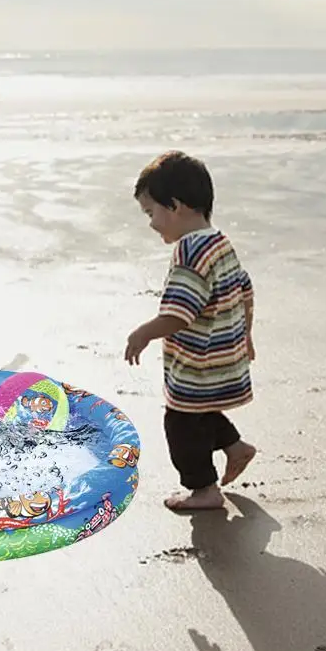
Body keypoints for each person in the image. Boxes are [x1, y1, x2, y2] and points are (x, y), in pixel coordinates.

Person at [125, 151, 257, 511]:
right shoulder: (219, 241)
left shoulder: (189, 250)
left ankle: (204, 489)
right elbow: (244, 288)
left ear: (177, 205)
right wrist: (246, 336)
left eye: (152, 213)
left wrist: (144, 332)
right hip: (224, 353)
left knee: (180, 422)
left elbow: (180, 312)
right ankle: (235, 447)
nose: (152, 223)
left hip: (199, 358)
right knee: (199, 411)